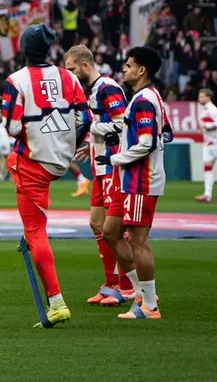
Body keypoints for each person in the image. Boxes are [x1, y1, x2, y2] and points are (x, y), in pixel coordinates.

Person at [0, 24, 91, 327]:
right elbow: (85, 117)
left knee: (36, 232)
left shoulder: (16, 81)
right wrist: (70, 144)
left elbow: (12, 128)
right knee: (35, 228)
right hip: (61, 161)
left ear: (23, 49)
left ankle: (56, 301)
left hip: (33, 163)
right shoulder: (68, 77)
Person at [102, 46, 168, 320]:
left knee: (138, 241)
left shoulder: (143, 100)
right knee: (110, 231)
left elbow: (148, 141)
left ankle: (150, 305)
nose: (125, 69)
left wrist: (119, 158)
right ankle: (140, 291)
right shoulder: (147, 98)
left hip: (141, 179)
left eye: (129, 65)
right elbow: (165, 133)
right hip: (129, 178)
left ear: (142, 70)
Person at [64, 45, 133, 307]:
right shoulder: (93, 90)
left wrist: (92, 128)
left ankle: (127, 286)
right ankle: (111, 283)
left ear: (85, 66)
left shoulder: (108, 87)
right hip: (99, 166)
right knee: (97, 225)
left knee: (112, 228)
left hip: (113, 166)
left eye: (71, 69)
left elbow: (121, 123)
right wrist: (90, 143)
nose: (69, 75)